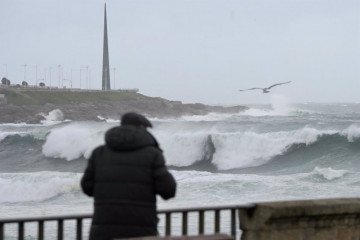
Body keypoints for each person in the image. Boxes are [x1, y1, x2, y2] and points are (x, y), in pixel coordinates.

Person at [81, 112, 176, 240]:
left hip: (103, 232)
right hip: (141, 232)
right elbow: (168, 190)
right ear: (142, 128)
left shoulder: (99, 153)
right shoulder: (152, 154)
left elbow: (87, 187)